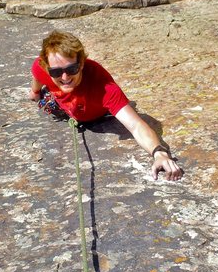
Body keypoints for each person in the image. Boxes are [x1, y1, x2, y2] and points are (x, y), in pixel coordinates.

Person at [29, 30, 183, 181]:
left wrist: (159, 153)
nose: (64, 77)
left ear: (81, 63)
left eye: (72, 69)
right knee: (46, 99)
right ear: (46, 66)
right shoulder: (41, 67)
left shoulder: (104, 88)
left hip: (94, 114)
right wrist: (35, 92)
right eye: (56, 72)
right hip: (62, 106)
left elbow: (135, 125)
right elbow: (38, 76)